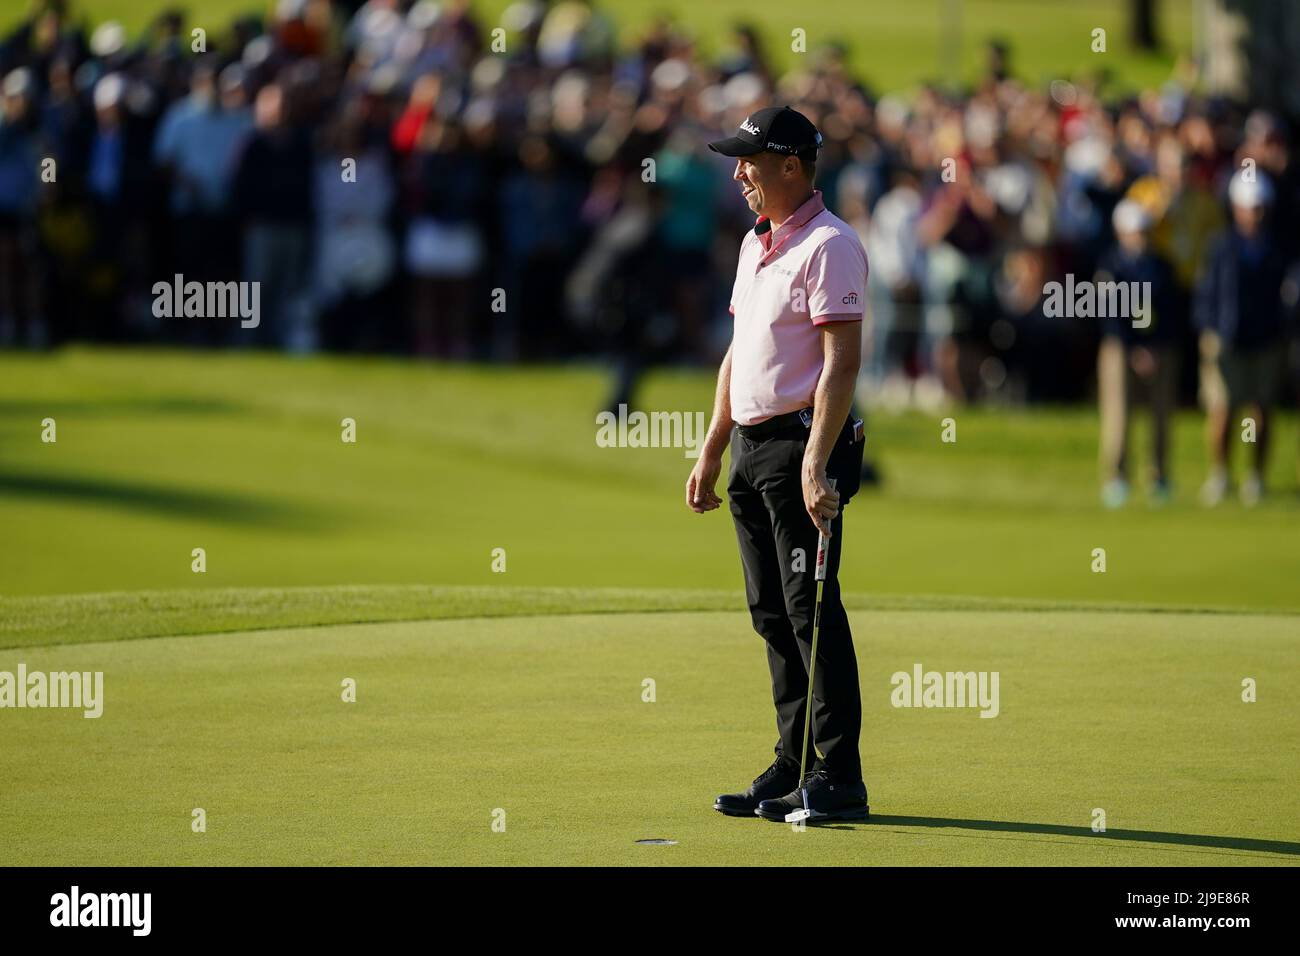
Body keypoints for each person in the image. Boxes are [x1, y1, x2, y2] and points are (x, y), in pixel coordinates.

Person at [685, 106, 869, 822]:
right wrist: (710, 447)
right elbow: (739, 357)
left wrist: (817, 462)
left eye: (750, 163)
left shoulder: (832, 245)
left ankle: (838, 775)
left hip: (801, 446)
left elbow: (841, 360)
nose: (739, 175)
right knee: (771, 612)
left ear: (791, 166)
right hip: (752, 450)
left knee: (811, 611)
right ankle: (792, 763)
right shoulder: (755, 243)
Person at [1194, 171, 1291, 507]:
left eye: (1259, 208)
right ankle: (1220, 475)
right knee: (1223, 410)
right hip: (1225, 340)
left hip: (1264, 340)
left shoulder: (1277, 249)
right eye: (1248, 207)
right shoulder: (1220, 246)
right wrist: (1211, 331)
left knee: (1259, 412)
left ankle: (1255, 477)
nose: (1253, 214)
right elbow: (1205, 294)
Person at [1094, 199, 1181, 507]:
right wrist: (1134, 349)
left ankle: (1159, 477)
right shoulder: (1110, 266)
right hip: (1120, 350)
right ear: (1121, 233)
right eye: (1134, 232)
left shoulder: (1162, 265)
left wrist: (1153, 346)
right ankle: (1117, 478)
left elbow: (1171, 311)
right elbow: (1110, 314)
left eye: (1143, 231)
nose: (1139, 238)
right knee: (1118, 416)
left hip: (1159, 350)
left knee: (1160, 415)